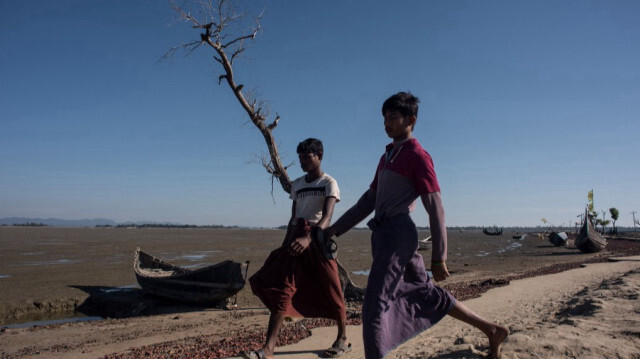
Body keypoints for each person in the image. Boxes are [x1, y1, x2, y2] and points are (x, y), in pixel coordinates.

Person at [325, 92, 509, 359]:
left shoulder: (418, 156)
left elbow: (435, 206)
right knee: (426, 292)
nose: (386, 123)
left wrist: (439, 257)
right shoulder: (387, 155)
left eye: (393, 117)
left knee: (374, 307)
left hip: (398, 235)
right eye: (384, 118)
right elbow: (369, 200)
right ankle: (492, 330)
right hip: (384, 234)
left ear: (411, 120)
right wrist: (335, 229)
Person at [242, 138, 351, 359]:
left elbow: (327, 218)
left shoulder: (329, 183)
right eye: (300, 157)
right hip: (295, 239)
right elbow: (294, 218)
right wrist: (286, 245)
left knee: (333, 289)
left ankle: (342, 338)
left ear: (319, 156)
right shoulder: (298, 184)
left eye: (307, 157)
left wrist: (309, 239)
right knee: (284, 289)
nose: (302, 161)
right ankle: (269, 349)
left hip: (318, 241)